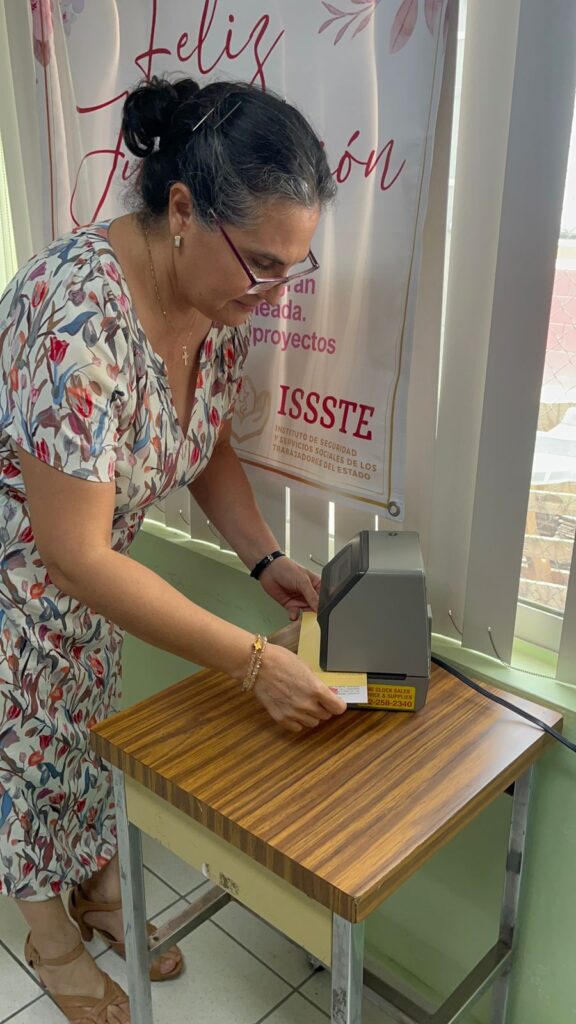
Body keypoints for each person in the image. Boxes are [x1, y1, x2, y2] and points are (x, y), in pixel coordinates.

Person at [0, 76, 347, 1024]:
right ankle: (50, 937)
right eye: (262, 264)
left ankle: (98, 887)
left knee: (86, 729)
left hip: (88, 566)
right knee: (25, 750)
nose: (273, 292)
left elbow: (202, 441)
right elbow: (71, 557)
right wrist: (252, 663)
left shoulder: (217, 307)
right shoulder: (74, 317)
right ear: (184, 212)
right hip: (21, 570)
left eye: (292, 269)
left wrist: (265, 560)